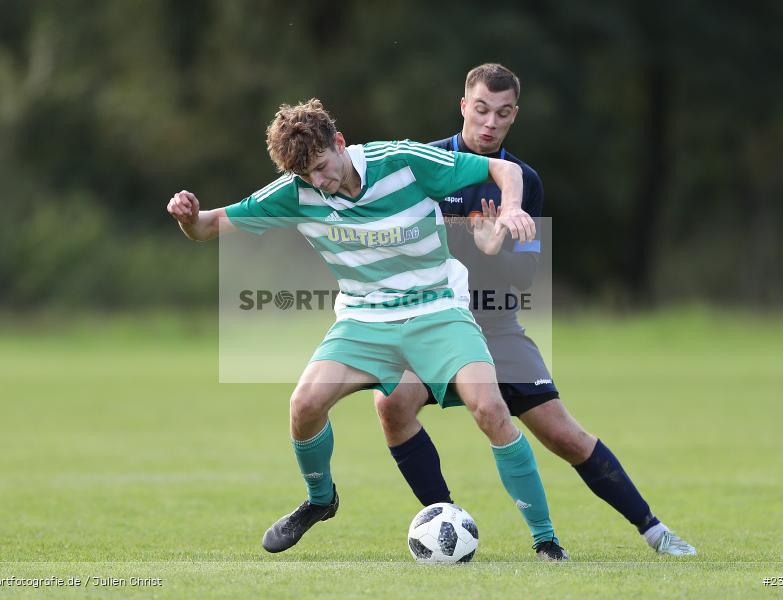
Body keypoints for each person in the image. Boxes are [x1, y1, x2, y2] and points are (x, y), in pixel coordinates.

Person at [166, 98, 570, 559]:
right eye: (306, 176)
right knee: (304, 405)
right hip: (364, 320)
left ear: (340, 143)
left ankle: (545, 539)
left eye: (321, 166)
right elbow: (208, 226)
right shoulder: (297, 190)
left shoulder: (401, 160)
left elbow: (506, 173)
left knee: (490, 409)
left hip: (437, 308)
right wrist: (188, 218)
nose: (319, 181)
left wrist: (514, 208)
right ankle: (321, 501)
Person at [373, 63, 696, 556]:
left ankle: (654, 531)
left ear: (514, 116)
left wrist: (493, 249)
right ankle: (447, 522)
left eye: (502, 114)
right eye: (481, 110)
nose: (490, 123)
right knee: (392, 405)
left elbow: (525, 279)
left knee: (564, 435)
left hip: (497, 324)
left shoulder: (524, 182)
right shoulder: (427, 164)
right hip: (435, 323)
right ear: (464, 106)